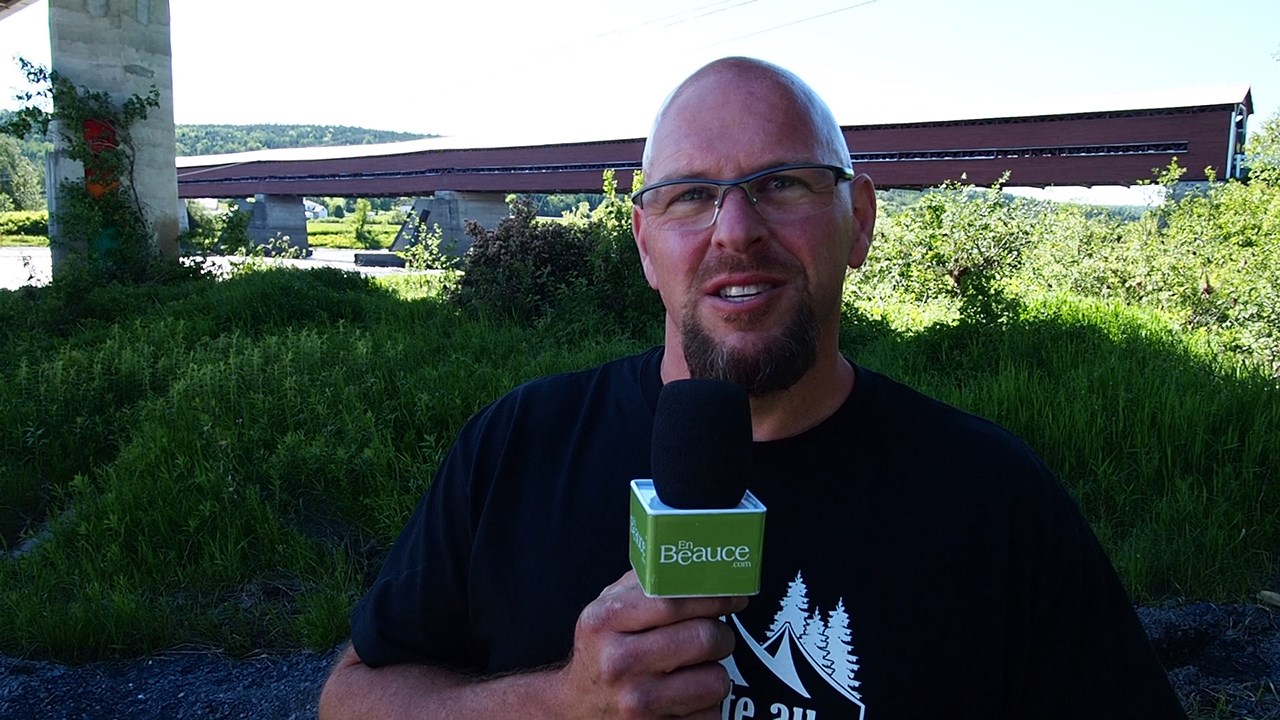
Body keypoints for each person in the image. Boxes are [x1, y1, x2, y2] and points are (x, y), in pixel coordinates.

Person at [319, 57, 1186, 719]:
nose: (736, 231)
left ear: (859, 222)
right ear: (644, 243)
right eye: (690, 195)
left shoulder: (995, 497)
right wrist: (559, 703)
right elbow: (351, 700)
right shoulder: (519, 444)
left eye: (781, 184)